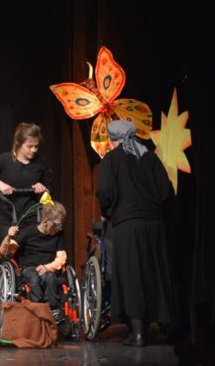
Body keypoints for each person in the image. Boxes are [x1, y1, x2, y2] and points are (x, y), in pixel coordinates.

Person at [97, 119, 175, 347]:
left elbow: (105, 191)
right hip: (155, 224)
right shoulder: (150, 157)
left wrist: (107, 212)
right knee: (156, 272)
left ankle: (138, 333)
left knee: (132, 275)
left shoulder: (111, 159)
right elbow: (166, 192)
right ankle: (165, 328)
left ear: (114, 140)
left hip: (128, 225)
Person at [0, 122, 51, 245]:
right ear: (19, 143)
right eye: (30, 146)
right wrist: (0, 184)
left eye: (36, 146)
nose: (34, 150)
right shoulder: (5, 160)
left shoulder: (41, 162)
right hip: (8, 221)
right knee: (8, 253)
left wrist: (42, 188)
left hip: (32, 222)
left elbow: (49, 191)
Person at [0, 201, 69, 327]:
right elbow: (5, 251)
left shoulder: (58, 235)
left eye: (61, 225)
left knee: (50, 277)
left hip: (48, 268)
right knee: (33, 277)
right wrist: (8, 237)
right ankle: (37, 308)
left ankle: (52, 309)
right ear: (46, 221)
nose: (59, 228)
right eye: (57, 225)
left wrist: (47, 267)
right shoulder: (28, 232)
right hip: (28, 268)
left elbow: (61, 258)